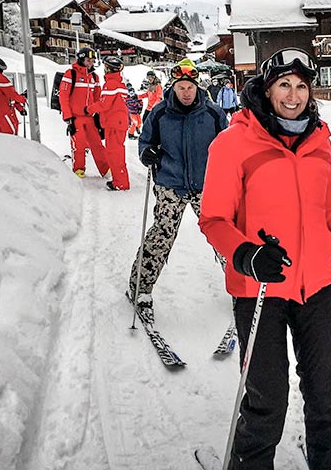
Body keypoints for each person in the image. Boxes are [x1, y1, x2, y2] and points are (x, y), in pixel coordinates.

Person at [198, 48, 331, 469]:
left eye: (302, 85)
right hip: (260, 289)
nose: (294, 94)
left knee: (326, 396)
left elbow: (330, 213)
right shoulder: (232, 143)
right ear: (267, 90)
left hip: (318, 286)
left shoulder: (320, 140)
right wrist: (247, 255)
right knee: (266, 401)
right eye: (284, 84)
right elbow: (213, 219)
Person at [129, 58, 228, 321]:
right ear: (173, 87)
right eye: (181, 87)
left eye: (190, 87)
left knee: (223, 235)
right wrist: (146, 153)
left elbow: (229, 146)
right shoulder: (159, 113)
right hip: (170, 184)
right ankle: (140, 289)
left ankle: (241, 286)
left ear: (197, 87)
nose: (186, 92)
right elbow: (145, 141)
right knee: (161, 234)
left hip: (206, 184)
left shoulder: (213, 114)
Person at [59, 46, 110, 178]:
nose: (90, 63)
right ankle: (78, 169)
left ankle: (105, 169)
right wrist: (68, 117)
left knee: (97, 144)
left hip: (90, 118)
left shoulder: (94, 77)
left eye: (92, 61)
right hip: (76, 118)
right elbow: (63, 97)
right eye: (88, 60)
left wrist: (100, 115)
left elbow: (98, 98)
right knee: (79, 144)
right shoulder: (71, 74)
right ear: (81, 59)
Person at [86, 56, 130, 191]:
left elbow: (104, 104)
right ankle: (120, 180)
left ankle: (120, 183)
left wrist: (89, 109)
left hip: (114, 124)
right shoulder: (119, 83)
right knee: (117, 153)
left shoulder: (111, 84)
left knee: (114, 154)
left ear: (109, 69)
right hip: (118, 123)